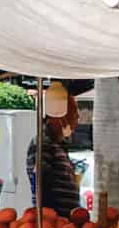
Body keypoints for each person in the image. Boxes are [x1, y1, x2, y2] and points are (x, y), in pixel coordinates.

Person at [26, 82, 83, 218]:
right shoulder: (43, 142)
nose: (76, 120)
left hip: (66, 220)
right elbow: (41, 182)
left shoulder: (57, 144)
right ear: (61, 115)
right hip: (54, 221)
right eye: (74, 114)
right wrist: (50, 218)